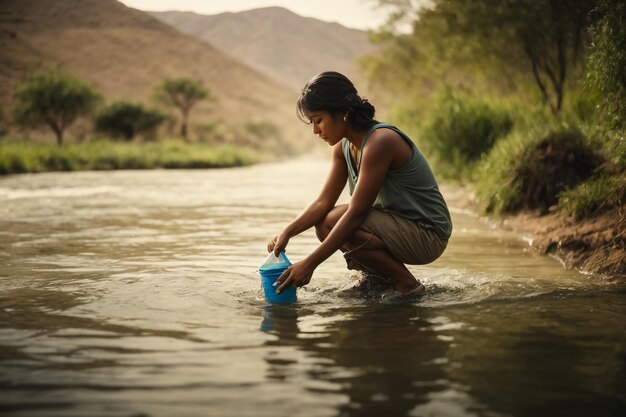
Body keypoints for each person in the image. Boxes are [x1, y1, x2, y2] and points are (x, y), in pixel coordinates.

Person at [268, 71, 452, 298]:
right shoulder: (343, 147)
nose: (316, 131)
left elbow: (356, 213)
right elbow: (323, 202)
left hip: (427, 234)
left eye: (318, 120)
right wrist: (287, 231)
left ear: (343, 112)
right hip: (397, 226)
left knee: (334, 221)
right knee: (325, 222)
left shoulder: (380, 141)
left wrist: (310, 263)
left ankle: (407, 285)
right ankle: (378, 280)